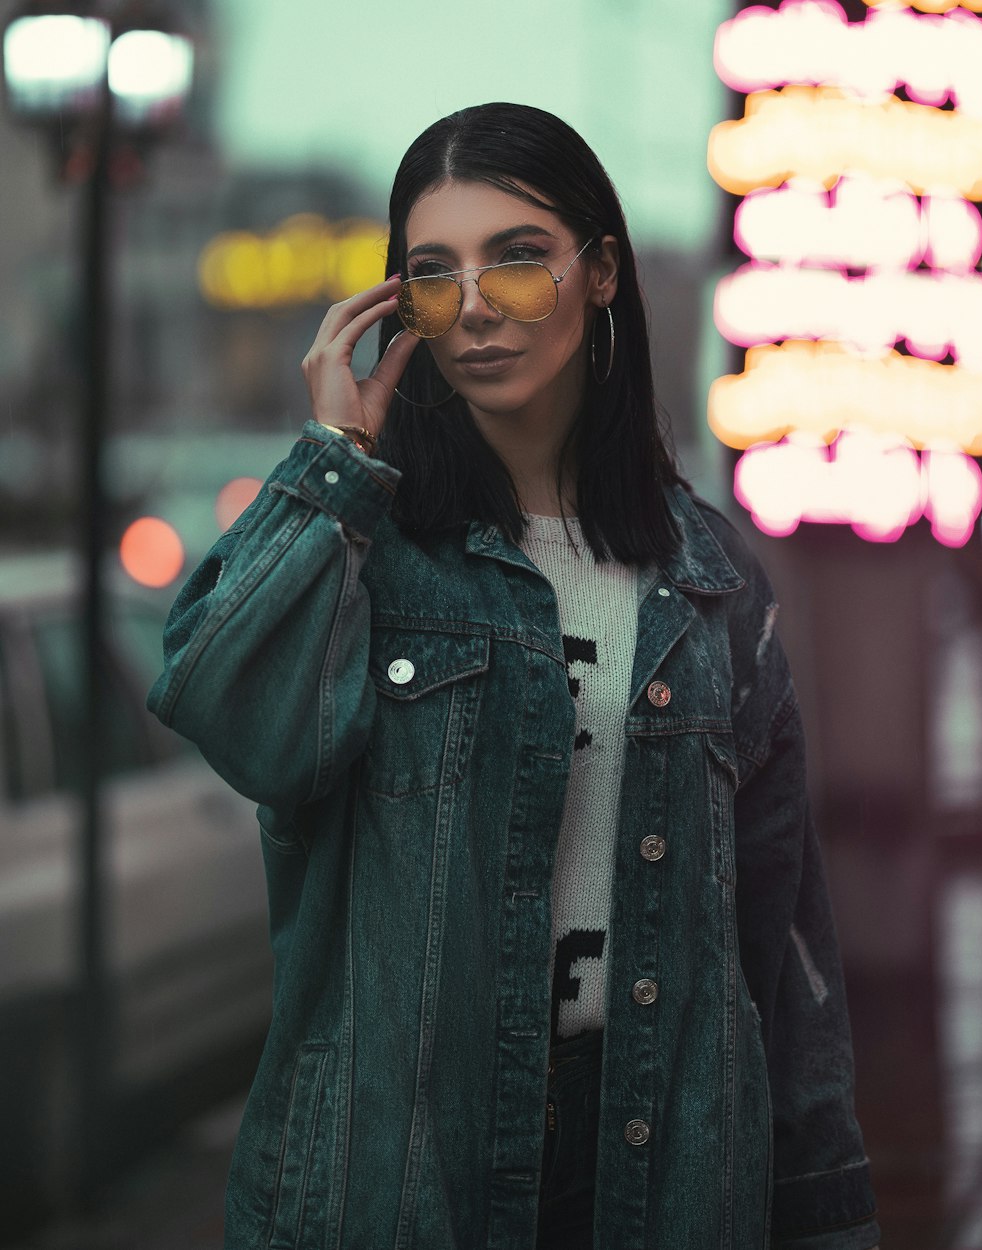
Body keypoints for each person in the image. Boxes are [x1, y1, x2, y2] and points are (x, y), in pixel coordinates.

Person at [148, 102, 880, 1250]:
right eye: (433, 275)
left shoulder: (710, 578)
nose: (476, 305)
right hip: (402, 1172)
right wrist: (334, 462)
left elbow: (780, 942)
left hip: (665, 1163)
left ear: (600, 275)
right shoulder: (369, 549)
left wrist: (825, 1205)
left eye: (519, 260)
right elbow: (233, 714)